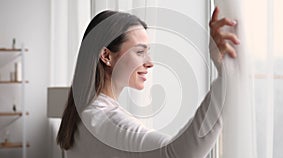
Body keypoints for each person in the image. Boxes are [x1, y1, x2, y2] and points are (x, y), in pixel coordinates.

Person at [57, 6, 239, 158]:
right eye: (139, 52)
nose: (150, 62)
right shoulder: (104, 121)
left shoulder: (82, 117)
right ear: (106, 56)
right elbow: (178, 154)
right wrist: (225, 77)